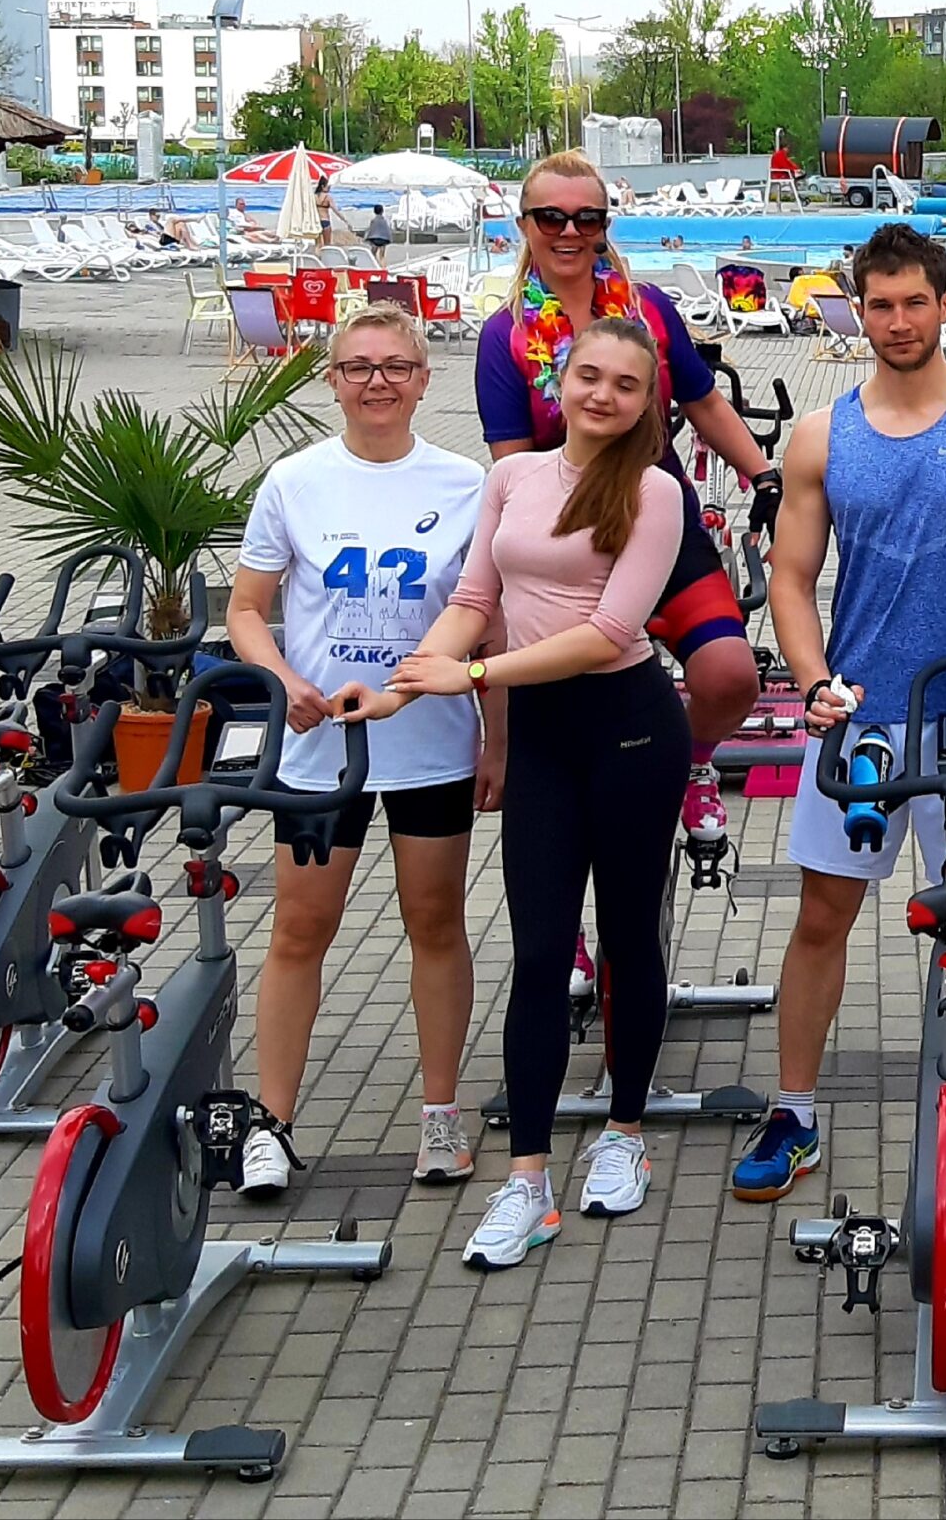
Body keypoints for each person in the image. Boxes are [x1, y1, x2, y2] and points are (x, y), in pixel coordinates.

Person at [731, 224, 946, 1203]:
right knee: (821, 918)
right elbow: (790, 578)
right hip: (865, 720)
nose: (896, 321)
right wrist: (812, 681)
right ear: (858, 309)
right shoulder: (821, 435)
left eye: (913, 302)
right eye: (878, 304)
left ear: (945, 303)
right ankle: (793, 1112)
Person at [339, 314, 692, 1258]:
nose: (603, 395)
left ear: (645, 402)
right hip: (541, 737)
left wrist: (476, 676)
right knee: (538, 951)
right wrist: (400, 687)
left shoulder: (654, 490)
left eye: (625, 384)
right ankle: (527, 1178)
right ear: (561, 382)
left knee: (626, 938)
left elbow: (610, 633)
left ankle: (624, 1132)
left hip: (629, 729)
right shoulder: (512, 477)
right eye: (590, 376)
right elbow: (472, 602)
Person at [476, 150, 774, 996]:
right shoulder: (504, 338)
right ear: (524, 226)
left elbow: (703, 401)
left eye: (589, 217)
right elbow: (511, 466)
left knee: (730, 673)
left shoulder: (648, 309)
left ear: (608, 224)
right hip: (565, 546)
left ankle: (693, 763)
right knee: (561, 765)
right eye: (552, 217)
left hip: (655, 518)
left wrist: (764, 475)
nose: (570, 232)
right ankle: (565, 930)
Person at [227, 306, 487, 1195]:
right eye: (358, 367)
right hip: (318, 748)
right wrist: (282, 680)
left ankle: (442, 1116)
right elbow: (246, 609)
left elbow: (484, 618)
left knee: (435, 923)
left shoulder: (466, 483)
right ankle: (270, 1122)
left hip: (430, 746)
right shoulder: (295, 481)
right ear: (332, 381)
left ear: (423, 379)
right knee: (300, 928)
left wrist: (497, 738)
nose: (378, 381)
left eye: (396, 366)